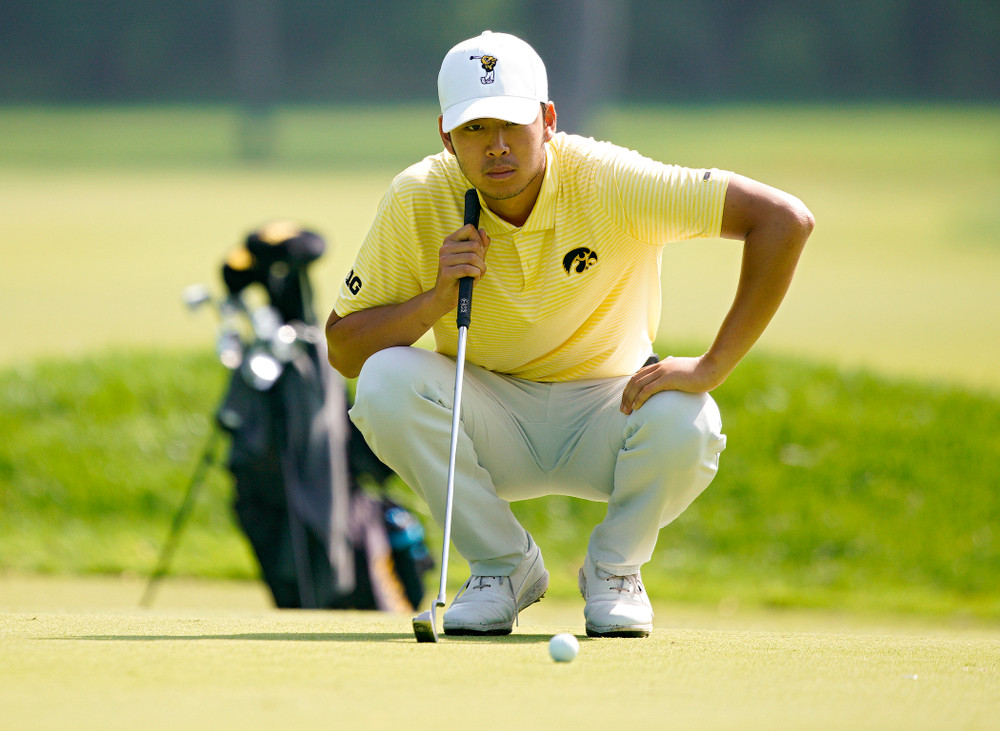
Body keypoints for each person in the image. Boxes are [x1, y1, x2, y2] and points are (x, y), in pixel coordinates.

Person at [325, 30, 814, 637]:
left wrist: (713, 366)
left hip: (609, 408)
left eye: (512, 124)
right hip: (485, 414)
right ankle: (502, 568)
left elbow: (783, 220)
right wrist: (434, 301)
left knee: (691, 415)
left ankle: (614, 570)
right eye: (475, 130)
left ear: (548, 119)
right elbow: (344, 350)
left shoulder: (609, 178)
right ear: (447, 136)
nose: (496, 147)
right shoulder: (419, 195)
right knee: (384, 381)